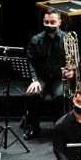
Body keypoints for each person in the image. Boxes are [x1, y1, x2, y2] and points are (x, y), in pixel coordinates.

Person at [24, 8, 74, 139]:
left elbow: (74, 61)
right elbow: (31, 62)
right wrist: (34, 80)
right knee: (32, 94)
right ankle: (35, 128)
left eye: (53, 22)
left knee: (61, 96)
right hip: (42, 78)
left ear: (59, 22)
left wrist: (71, 71)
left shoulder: (67, 39)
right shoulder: (36, 40)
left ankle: (59, 131)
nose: (49, 25)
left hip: (59, 77)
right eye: (46, 22)